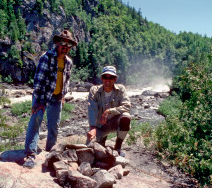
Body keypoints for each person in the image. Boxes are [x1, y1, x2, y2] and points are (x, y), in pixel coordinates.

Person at [23, 29, 77, 168]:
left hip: (57, 98)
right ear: (57, 43)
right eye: (63, 42)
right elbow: (38, 81)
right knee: (36, 120)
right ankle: (30, 155)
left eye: (69, 44)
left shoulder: (68, 62)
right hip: (42, 96)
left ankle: (50, 152)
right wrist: (40, 102)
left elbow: (66, 80)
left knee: (54, 126)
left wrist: (63, 95)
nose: (65, 46)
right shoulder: (46, 57)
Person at [87, 66, 131, 157]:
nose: (108, 80)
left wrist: (110, 111)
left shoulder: (121, 89)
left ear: (115, 79)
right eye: (105, 77)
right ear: (102, 78)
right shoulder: (94, 90)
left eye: (111, 77)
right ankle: (102, 140)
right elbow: (92, 109)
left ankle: (118, 147)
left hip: (115, 123)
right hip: (100, 126)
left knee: (126, 117)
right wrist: (92, 128)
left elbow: (127, 106)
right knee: (89, 149)